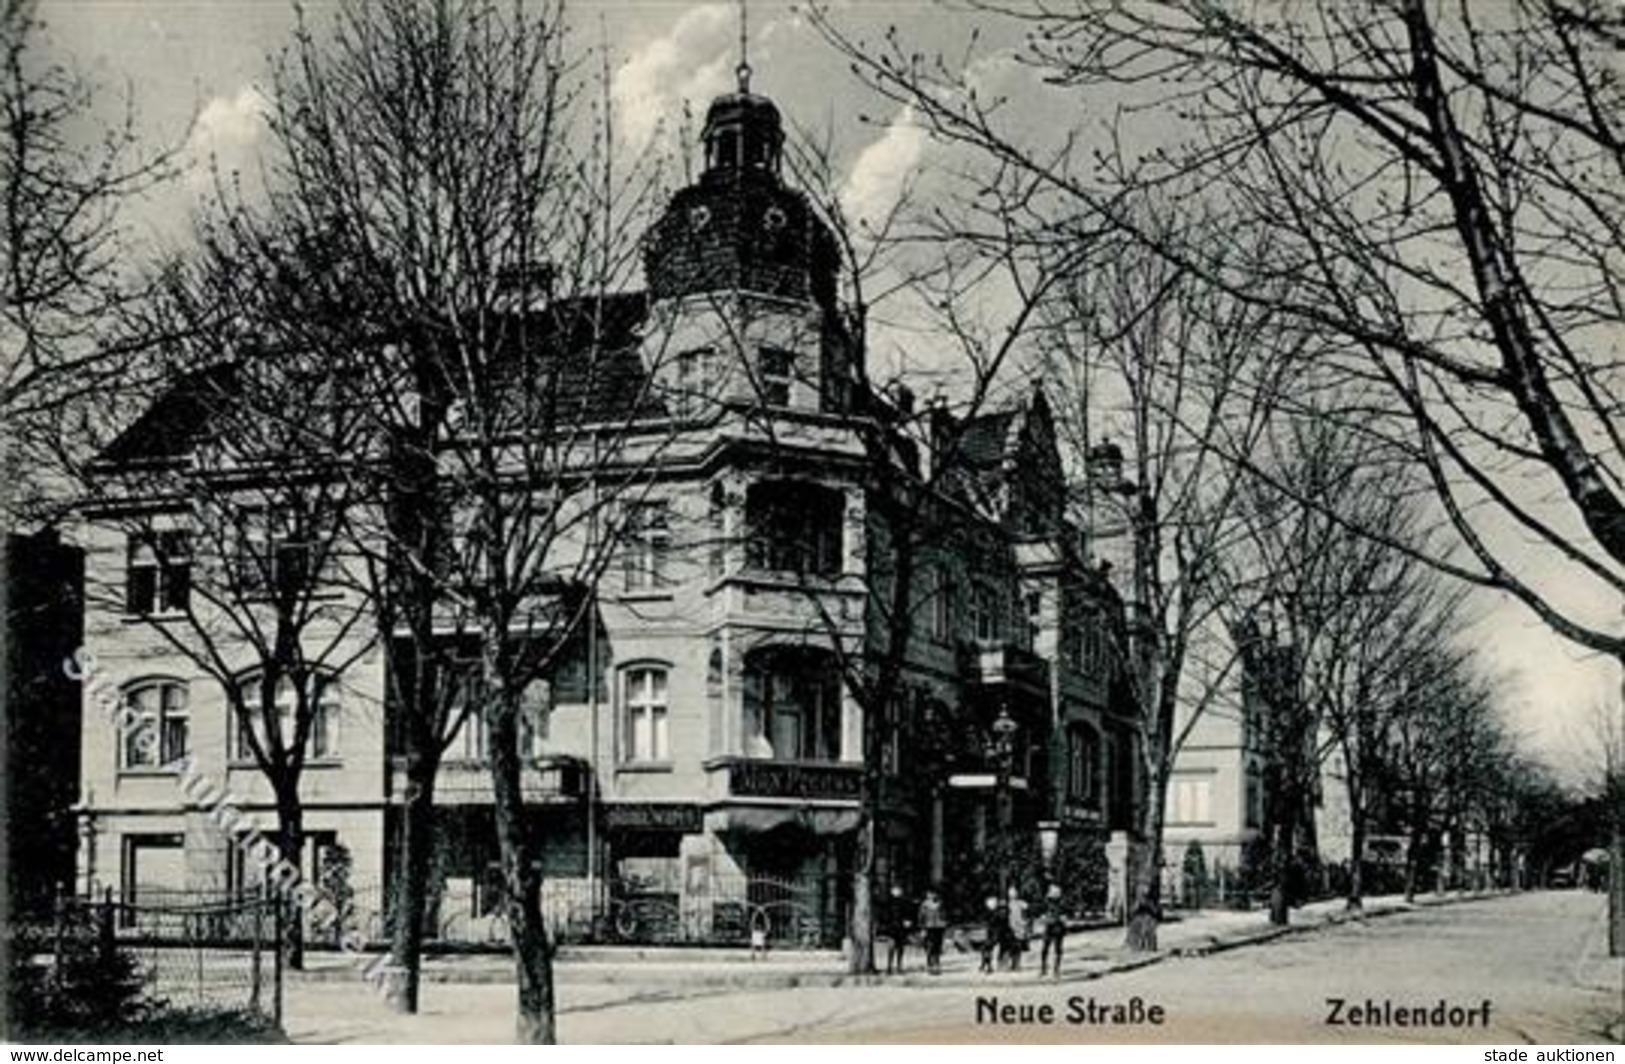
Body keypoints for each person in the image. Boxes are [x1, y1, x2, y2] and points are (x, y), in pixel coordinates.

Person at [882, 884, 912, 974]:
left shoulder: (905, 902)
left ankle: (899, 966)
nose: (897, 892)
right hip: (891, 927)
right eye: (895, 890)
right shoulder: (888, 902)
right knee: (891, 946)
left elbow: (908, 912)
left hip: (901, 926)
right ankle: (889, 967)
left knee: (900, 947)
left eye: (898, 890)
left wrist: (908, 921)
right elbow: (885, 914)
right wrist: (885, 924)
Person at [1039, 884, 1066, 978]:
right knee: (1045, 949)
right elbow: (1042, 915)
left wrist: (1058, 919)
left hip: (1057, 928)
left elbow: (1064, 917)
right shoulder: (1047, 903)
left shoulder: (1062, 904)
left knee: (1056, 949)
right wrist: (1044, 918)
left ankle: (1055, 969)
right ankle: (1045, 968)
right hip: (1050, 927)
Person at [918, 889, 947, 975]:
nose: (932, 896)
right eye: (930, 894)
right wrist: (922, 928)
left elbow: (944, 915)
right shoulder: (924, 905)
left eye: (934, 894)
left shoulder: (940, 904)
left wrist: (944, 922)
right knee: (930, 946)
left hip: (939, 927)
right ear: (927, 895)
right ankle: (930, 965)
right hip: (929, 927)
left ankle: (937, 965)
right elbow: (921, 917)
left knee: (938, 946)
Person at [1003, 885, 1029, 971]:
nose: (1013, 895)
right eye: (1011, 894)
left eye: (1014, 893)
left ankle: (1016, 964)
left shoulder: (1021, 903)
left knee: (1018, 947)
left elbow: (1026, 911)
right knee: (1011, 946)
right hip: (1010, 927)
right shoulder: (1007, 904)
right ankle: (1009, 964)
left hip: (1019, 927)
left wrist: (1024, 922)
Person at [979, 895, 1004, 974]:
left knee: (986, 950)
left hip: (993, 935)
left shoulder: (995, 914)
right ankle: (985, 965)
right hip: (991, 934)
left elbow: (992, 925)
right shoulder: (994, 913)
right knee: (985, 949)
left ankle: (987, 966)